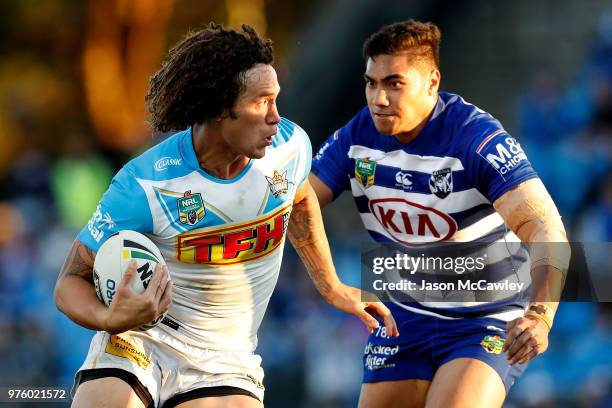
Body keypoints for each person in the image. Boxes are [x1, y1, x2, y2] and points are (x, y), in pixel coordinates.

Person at [54, 23, 397, 408]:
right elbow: (68, 283)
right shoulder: (145, 183)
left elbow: (300, 201)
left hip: (225, 364)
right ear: (219, 108)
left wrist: (332, 286)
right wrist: (109, 319)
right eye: (261, 102)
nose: (275, 118)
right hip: (136, 344)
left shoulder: (290, 148)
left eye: (276, 100)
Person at [310, 20, 570, 407]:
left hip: (484, 318)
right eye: (371, 83)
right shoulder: (356, 136)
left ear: (432, 82)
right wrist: (329, 283)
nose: (378, 99)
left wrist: (540, 315)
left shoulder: (475, 137)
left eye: (394, 83)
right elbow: (297, 203)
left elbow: (545, 226)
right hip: (403, 315)